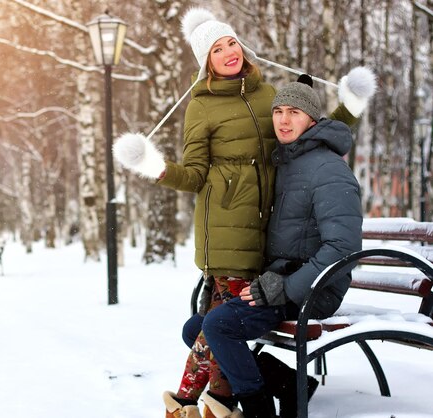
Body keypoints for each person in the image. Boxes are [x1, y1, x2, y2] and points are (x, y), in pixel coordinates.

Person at [113, 7, 374, 418]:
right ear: (206, 62)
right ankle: (236, 396)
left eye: (231, 41)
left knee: (212, 328)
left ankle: (234, 401)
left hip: (275, 252)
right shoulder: (202, 106)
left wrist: (350, 107)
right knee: (207, 328)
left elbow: (310, 124)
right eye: (217, 49)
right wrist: (156, 168)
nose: (229, 52)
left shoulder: (270, 97)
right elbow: (197, 172)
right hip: (232, 231)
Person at [201, 75, 364, 418]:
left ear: (312, 120)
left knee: (218, 327)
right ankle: (290, 384)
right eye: (278, 111)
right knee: (198, 328)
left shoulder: (328, 170)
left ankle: (259, 411)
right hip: (282, 281)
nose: (284, 120)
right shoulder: (287, 162)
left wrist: (285, 286)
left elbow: (343, 248)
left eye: (294, 112)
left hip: (315, 290)